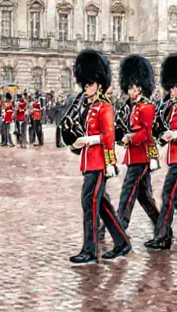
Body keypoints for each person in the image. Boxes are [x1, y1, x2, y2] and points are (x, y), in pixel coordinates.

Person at [67, 49, 129, 264]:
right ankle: (122, 242)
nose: (86, 88)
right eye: (85, 85)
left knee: (89, 204)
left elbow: (108, 138)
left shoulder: (105, 107)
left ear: (99, 85)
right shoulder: (90, 107)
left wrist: (90, 140)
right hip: (89, 161)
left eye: (90, 84)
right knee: (101, 204)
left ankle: (90, 250)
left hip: (99, 163)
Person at [145, 54, 177, 251]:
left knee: (168, 194)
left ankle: (163, 236)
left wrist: (175, 135)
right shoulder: (172, 106)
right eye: (171, 87)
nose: (173, 90)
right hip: (174, 155)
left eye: (176, 87)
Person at [115, 55, 160, 232]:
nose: (130, 91)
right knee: (143, 195)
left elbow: (145, 133)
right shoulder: (133, 106)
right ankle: (161, 225)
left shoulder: (147, 106)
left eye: (133, 88)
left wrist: (130, 138)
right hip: (134, 154)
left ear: (140, 88)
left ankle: (120, 225)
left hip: (142, 155)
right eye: (129, 87)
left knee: (128, 190)